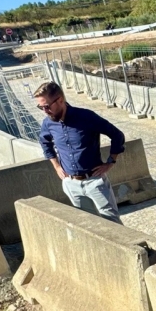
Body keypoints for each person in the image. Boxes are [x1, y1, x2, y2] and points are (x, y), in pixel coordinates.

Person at [33, 80, 125, 223]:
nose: (45, 111)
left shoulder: (86, 117)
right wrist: (56, 166)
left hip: (95, 181)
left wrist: (110, 162)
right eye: (41, 107)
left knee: (112, 222)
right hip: (71, 184)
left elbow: (117, 135)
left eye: (46, 106)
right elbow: (45, 143)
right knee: (88, 225)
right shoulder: (48, 123)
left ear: (61, 100)